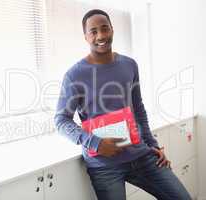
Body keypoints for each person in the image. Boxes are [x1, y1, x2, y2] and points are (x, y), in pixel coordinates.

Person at [54, 9, 191, 200]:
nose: (101, 35)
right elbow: (61, 120)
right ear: (85, 37)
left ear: (112, 29)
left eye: (105, 29)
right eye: (93, 31)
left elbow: (138, 109)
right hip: (104, 164)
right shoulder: (74, 75)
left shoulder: (129, 65)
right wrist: (96, 143)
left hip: (141, 155)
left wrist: (153, 144)